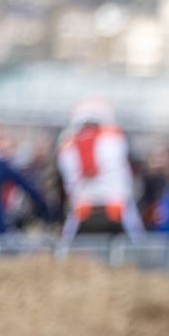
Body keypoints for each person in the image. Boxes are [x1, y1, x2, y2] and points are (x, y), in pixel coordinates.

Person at [56, 99, 142, 241]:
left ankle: (61, 257)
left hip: (82, 204)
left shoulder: (67, 145)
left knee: (67, 240)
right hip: (115, 202)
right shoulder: (114, 139)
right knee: (136, 235)